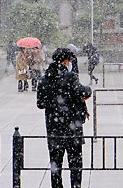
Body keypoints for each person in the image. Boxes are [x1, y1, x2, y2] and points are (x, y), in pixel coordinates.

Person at [37, 47, 91, 188]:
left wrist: (53, 102)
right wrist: (87, 90)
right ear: (66, 61)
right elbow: (82, 92)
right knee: (75, 164)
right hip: (72, 128)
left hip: (54, 129)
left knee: (56, 165)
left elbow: (40, 104)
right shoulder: (70, 77)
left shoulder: (44, 79)